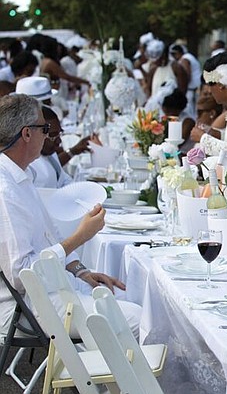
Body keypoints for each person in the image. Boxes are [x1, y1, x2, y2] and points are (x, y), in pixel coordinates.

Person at [0, 94, 141, 338]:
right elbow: (22, 275)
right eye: (45, 129)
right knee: (143, 320)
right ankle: (99, 373)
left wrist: (81, 272)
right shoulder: (6, 189)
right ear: (26, 134)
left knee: (137, 297)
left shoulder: (21, 176)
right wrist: (81, 236)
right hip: (27, 307)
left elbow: (49, 238)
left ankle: (101, 370)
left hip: (53, 288)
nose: (48, 135)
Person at [28, 106, 73, 188]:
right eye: (53, 136)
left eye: (59, 134)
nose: (59, 141)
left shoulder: (49, 152)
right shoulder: (28, 167)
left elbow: (64, 180)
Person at [170, 44, 202, 118]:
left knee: (190, 111)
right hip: (196, 88)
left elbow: (187, 76)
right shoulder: (189, 57)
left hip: (191, 89)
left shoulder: (185, 59)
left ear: (177, 53)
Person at [161, 89, 195, 154]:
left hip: (185, 154)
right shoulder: (168, 119)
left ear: (177, 110)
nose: (166, 115)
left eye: (168, 112)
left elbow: (177, 144)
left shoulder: (188, 121)